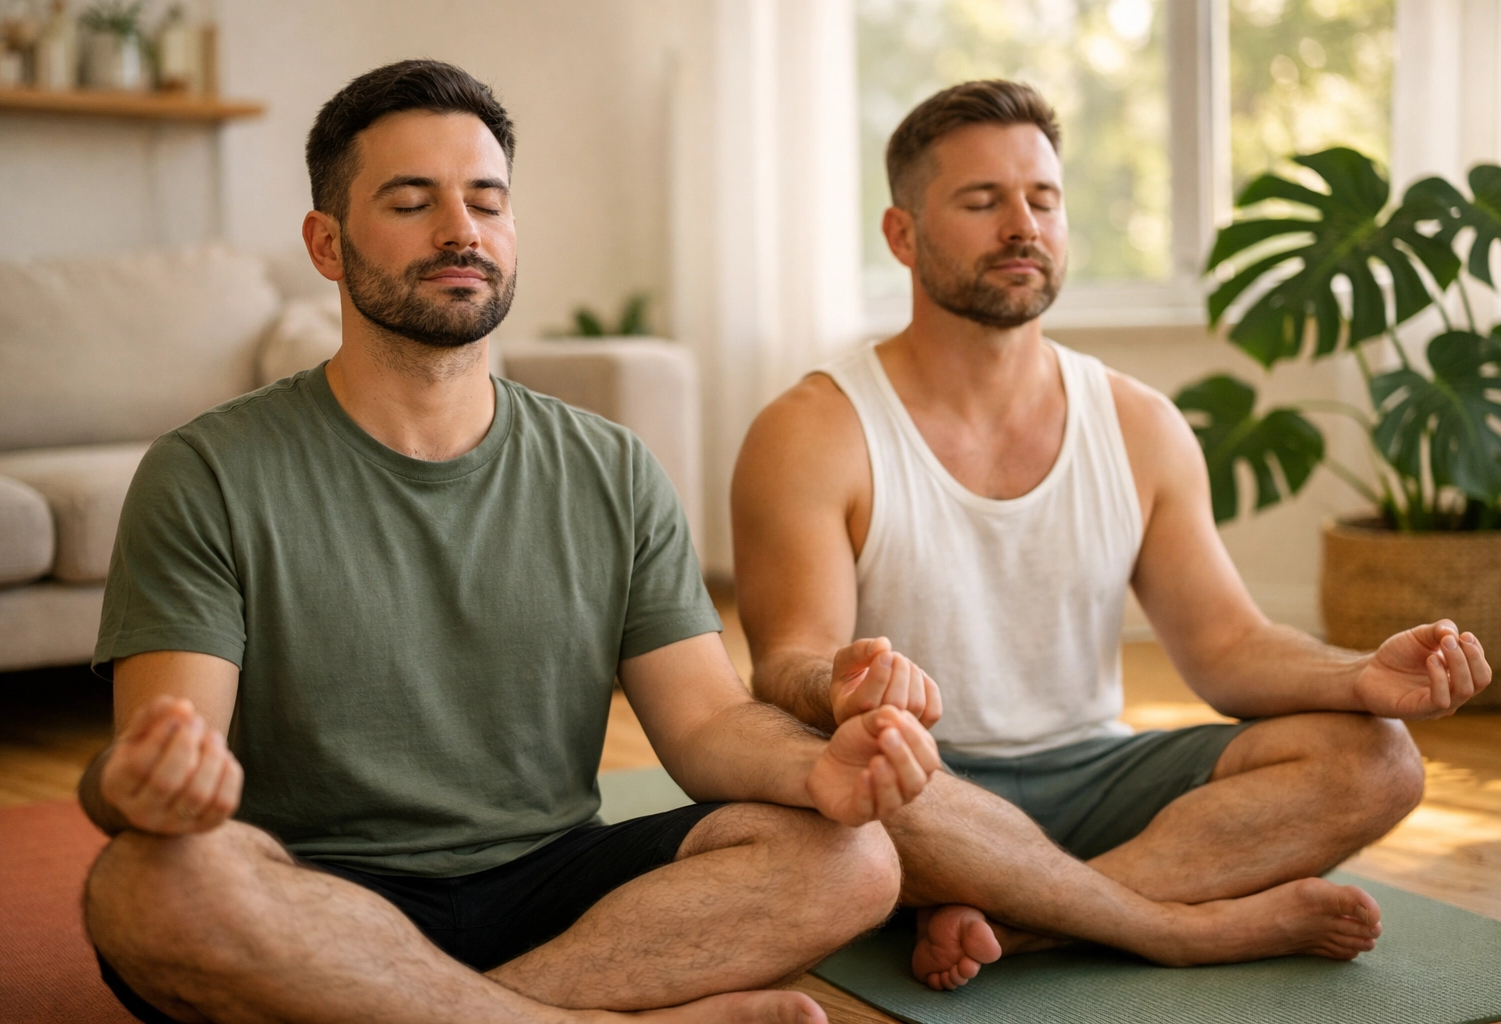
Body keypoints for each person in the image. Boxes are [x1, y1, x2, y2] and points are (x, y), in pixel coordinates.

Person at [78, 60, 946, 1024]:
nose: (461, 231)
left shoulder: (612, 468)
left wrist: (811, 766)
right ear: (326, 244)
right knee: (142, 887)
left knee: (854, 857)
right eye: (412, 203)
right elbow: (156, 763)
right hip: (318, 897)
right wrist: (144, 784)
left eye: (487, 203)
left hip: (551, 889)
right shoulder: (205, 472)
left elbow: (702, 726)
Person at [732, 79, 1493, 992]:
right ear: (902, 234)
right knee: (823, 796)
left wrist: (1357, 675)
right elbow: (785, 665)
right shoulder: (813, 428)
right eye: (983, 201)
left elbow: (1226, 647)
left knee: (1377, 760)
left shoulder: (1140, 425)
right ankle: (1172, 926)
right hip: (915, 787)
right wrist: (844, 684)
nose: (1023, 225)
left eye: (1043, 199)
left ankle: (1023, 925)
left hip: (1096, 779)